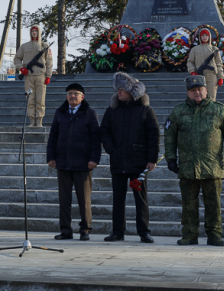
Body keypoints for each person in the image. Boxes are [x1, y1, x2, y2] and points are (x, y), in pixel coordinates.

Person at [165, 75, 224, 247]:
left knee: (213, 204)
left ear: (206, 90)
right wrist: (171, 158)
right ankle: (189, 235)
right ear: (188, 93)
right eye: (193, 90)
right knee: (189, 205)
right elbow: (169, 136)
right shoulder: (178, 112)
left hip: (212, 166)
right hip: (187, 166)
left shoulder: (219, 110)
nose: (197, 93)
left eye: (200, 89)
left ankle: (214, 235)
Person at [99, 72, 159, 244]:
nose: (119, 92)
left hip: (139, 162)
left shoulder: (146, 110)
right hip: (118, 160)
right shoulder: (112, 110)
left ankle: (144, 232)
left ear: (131, 91)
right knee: (118, 198)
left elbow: (153, 135)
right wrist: (111, 149)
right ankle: (117, 232)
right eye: (117, 89)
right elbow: (104, 131)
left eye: (122, 89)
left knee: (140, 198)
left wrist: (152, 159)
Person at [46, 82, 101, 241]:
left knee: (84, 200)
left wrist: (94, 159)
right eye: (69, 93)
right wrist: (51, 157)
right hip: (63, 163)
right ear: (66, 96)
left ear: (82, 97)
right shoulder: (60, 113)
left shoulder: (90, 113)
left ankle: (85, 229)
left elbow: (95, 139)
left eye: (76, 93)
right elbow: (53, 137)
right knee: (64, 200)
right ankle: (65, 230)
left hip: (83, 164)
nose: (72, 96)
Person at [14, 25, 53, 127]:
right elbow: (17, 59)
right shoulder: (24, 46)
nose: (34, 33)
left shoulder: (44, 46)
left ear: (39, 32)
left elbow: (49, 62)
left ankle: (39, 121)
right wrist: (21, 68)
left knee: (40, 99)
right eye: (32, 31)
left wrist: (48, 76)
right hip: (29, 77)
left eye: (36, 31)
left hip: (41, 76)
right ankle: (32, 121)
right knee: (30, 99)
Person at [187, 28, 224, 100]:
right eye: (203, 35)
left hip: (212, 76)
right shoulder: (195, 49)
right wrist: (193, 72)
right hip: (199, 76)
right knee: (200, 98)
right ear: (200, 37)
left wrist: (220, 77)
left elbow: (219, 63)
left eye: (206, 35)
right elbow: (190, 62)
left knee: (211, 98)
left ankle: (211, 112)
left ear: (209, 37)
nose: (204, 37)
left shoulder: (214, 49)